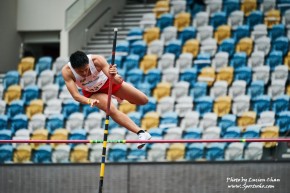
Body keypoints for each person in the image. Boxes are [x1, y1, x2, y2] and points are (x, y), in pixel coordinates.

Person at [62, 51, 151, 149]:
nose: (84, 73)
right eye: (80, 71)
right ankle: (141, 133)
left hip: (108, 83)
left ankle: (118, 96)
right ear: (74, 69)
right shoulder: (67, 72)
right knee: (111, 110)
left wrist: (114, 75)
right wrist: (88, 101)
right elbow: (75, 95)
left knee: (143, 100)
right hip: (93, 93)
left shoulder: (97, 60)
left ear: (88, 63)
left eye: (86, 69)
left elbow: (118, 80)